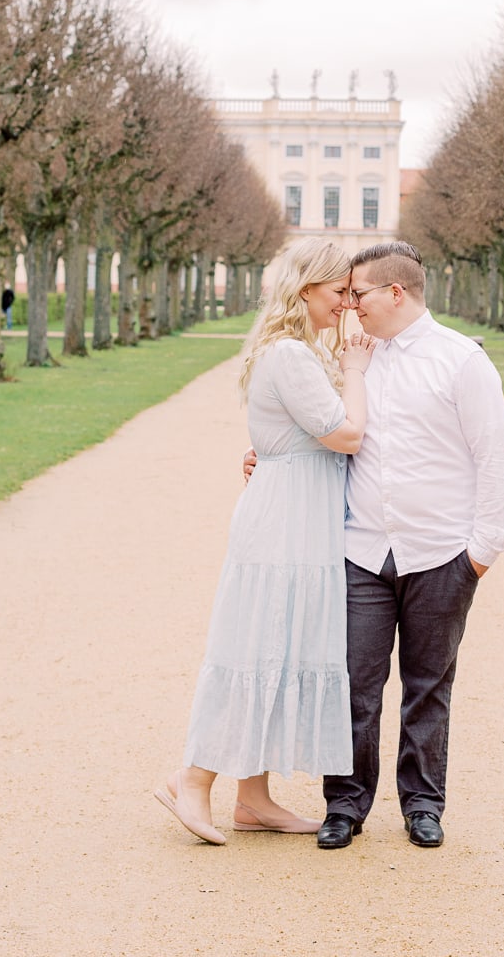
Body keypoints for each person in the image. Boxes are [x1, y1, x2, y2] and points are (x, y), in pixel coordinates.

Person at [249, 240, 504, 849]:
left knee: (428, 684)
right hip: (361, 548)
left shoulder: (461, 361)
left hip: (440, 551)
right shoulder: (348, 357)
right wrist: (263, 454)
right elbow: (325, 430)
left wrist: (481, 551)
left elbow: (494, 458)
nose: (349, 304)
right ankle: (345, 803)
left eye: (357, 292)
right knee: (353, 682)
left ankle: (423, 803)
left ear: (396, 292)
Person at [155, 238, 375, 846]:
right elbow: (347, 434)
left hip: (300, 515)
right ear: (306, 290)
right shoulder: (290, 355)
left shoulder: (299, 351)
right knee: (256, 647)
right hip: (285, 524)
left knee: (283, 647)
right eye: (339, 293)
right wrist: (354, 370)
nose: (348, 305)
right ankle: (193, 778)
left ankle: (252, 797)